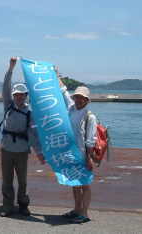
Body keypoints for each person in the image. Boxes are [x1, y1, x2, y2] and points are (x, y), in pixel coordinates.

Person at [0, 57, 44, 217]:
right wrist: (11, 68)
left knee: (23, 181)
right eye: (16, 95)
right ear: (14, 96)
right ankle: (7, 206)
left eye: (22, 95)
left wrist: (39, 152)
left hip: (22, 150)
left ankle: (23, 205)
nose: (19, 97)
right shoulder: (8, 105)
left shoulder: (30, 112)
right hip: (6, 149)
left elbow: (34, 134)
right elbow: (5, 87)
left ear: (26, 96)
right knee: (7, 180)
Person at [58, 75, 97, 224]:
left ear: (87, 100)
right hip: (71, 154)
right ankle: (76, 210)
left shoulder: (89, 116)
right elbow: (63, 92)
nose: (79, 99)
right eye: (77, 97)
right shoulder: (71, 109)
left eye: (82, 98)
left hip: (83, 155)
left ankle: (85, 214)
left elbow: (90, 140)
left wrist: (89, 158)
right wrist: (56, 74)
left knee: (85, 184)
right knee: (75, 183)